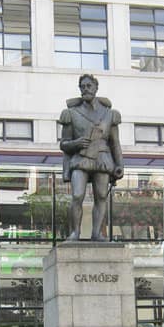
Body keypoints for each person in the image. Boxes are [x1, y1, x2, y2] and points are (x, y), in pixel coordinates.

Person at [58, 74, 124, 241]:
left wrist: (120, 164)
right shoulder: (71, 113)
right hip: (80, 158)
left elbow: (115, 143)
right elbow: (63, 144)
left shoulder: (109, 114)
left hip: (102, 159)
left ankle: (96, 233)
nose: (85, 89)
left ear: (96, 88)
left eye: (89, 86)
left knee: (101, 196)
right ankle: (75, 232)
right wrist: (76, 143)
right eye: (83, 86)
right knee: (77, 195)